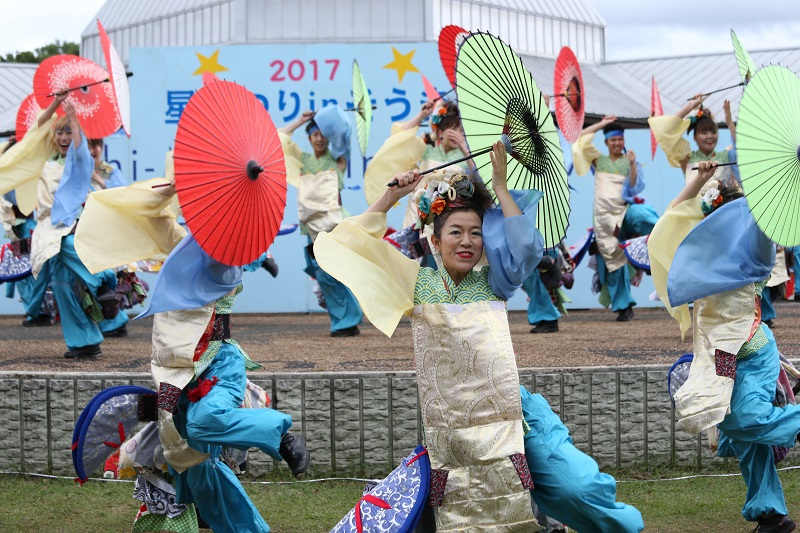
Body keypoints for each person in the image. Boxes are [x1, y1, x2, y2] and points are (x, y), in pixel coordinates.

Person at [316, 142, 643, 532]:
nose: (467, 241)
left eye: (475, 233)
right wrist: (391, 196)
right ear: (434, 241)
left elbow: (525, 248)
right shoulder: (415, 283)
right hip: (451, 436)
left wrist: (500, 187)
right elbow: (345, 246)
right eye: (455, 232)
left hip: (515, 420)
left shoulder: (495, 281)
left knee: (579, 489)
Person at [649, 160, 800, 533]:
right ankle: (772, 516)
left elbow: (764, 224)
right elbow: (665, 228)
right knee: (742, 436)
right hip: (721, 356)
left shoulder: (754, 252)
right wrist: (699, 180)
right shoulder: (700, 256)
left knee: (744, 420)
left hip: (754, 351)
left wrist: (769, 186)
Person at [26, 95, 119, 359]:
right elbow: (38, 126)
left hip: (67, 224)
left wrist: (76, 123)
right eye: (61, 132)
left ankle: (105, 281)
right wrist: (56, 105)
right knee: (61, 285)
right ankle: (84, 343)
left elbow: (81, 150)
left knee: (67, 246)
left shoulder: (77, 161)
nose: (65, 137)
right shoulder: (45, 159)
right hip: (46, 224)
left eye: (69, 132)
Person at [279, 108, 363, 337]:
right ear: (308, 138)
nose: (318, 138)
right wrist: (300, 120)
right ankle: (343, 320)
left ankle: (348, 320)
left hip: (335, 223)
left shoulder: (337, 159)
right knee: (323, 274)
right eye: (314, 134)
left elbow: (343, 138)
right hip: (311, 226)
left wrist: (331, 122)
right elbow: (279, 138)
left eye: (322, 134)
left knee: (336, 272)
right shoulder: (303, 161)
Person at [572, 117, 659, 321]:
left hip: (623, 212)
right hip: (603, 219)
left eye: (620, 139)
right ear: (606, 142)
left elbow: (636, 186)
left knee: (643, 215)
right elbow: (580, 138)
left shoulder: (629, 160)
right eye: (613, 140)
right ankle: (623, 306)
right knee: (613, 260)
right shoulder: (598, 160)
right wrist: (602, 123)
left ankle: (661, 237)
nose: (617, 143)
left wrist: (633, 165)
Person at [649, 94, 738, 190]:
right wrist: (690, 105)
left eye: (713, 132)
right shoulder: (687, 159)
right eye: (704, 132)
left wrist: (729, 122)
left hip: (726, 204)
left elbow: (741, 144)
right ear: (695, 137)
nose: (710, 136)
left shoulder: (726, 156)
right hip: (694, 205)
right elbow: (664, 131)